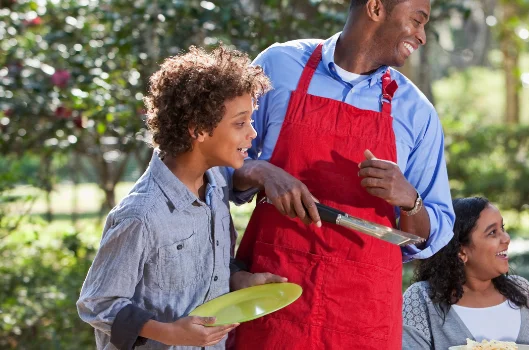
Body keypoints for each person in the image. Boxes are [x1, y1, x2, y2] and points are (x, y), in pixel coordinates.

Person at [226, 0, 455, 348]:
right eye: (417, 20)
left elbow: (432, 235)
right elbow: (214, 167)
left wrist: (410, 201)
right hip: (274, 295)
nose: (423, 36)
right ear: (376, 8)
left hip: (363, 314)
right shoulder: (278, 67)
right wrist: (259, 170)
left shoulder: (416, 113)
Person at [77, 45, 285, 349]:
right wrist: (170, 332)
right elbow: (97, 303)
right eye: (240, 123)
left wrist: (240, 281)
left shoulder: (215, 187)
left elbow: (209, 269)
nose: (252, 133)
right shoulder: (142, 215)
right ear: (198, 129)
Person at [403, 197, 529, 349]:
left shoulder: (522, 290)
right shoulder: (422, 298)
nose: (506, 238)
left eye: (503, 228)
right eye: (492, 232)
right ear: (461, 251)